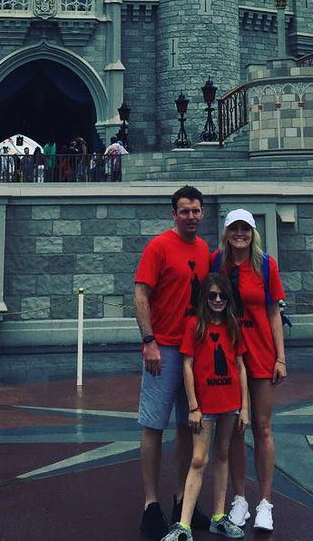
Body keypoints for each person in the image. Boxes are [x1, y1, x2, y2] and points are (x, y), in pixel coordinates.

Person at [134, 186, 211, 540]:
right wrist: (148, 341)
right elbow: (141, 292)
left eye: (196, 211)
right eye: (185, 211)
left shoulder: (204, 250)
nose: (191, 217)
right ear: (174, 214)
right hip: (163, 349)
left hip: (193, 352)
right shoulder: (158, 247)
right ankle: (151, 504)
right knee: (153, 425)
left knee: (187, 426)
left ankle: (184, 500)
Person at [214, 210, 286, 535]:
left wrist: (281, 358)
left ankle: (265, 503)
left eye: (245, 229)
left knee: (262, 427)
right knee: (235, 430)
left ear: (253, 232)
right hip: (229, 356)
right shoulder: (217, 263)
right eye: (234, 228)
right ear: (227, 232)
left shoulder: (266, 265)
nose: (239, 234)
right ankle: (240, 498)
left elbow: (273, 313)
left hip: (260, 354)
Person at [162, 274, 249, 540]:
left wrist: (244, 407)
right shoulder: (194, 326)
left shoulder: (233, 326)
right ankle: (183, 524)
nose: (218, 300)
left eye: (222, 295)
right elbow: (187, 365)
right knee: (199, 459)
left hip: (230, 402)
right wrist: (193, 406)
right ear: (205, 298)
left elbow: (241, 366)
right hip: (205, 405)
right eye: (212, 295)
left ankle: (219, 516)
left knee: (222, 454)